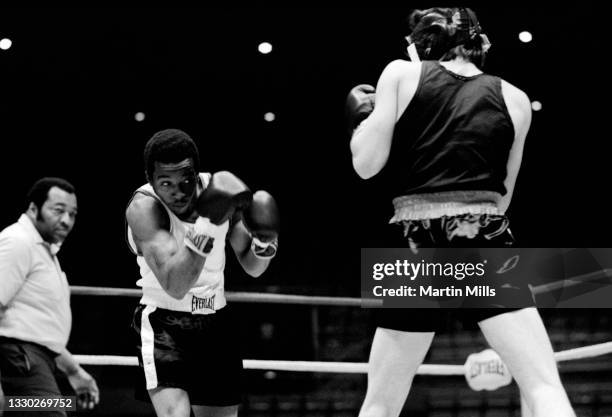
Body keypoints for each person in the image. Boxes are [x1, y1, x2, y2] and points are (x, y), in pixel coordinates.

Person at [347, 7, 575, 417]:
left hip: (413, 243)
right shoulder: (516, 98)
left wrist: (362, 125)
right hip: (481, 233)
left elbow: (365, 167)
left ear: (424, 43)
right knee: (543, 386)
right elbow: (502, 199)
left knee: (381, 402)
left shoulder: (400, 73)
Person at [126, 128, 279, 417]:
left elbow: (253, 267)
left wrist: (265, 242)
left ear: (197, 174)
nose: (177, 191)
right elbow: (176, 284)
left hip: (216, 322)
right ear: (150, 179)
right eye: (165, 182)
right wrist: (208, 223)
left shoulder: (219, 191)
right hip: (165, 323)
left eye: (185, 180)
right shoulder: (144, 209)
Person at [0, 177, 100, 417]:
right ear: (34, 208)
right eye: (58, 211)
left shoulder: (41, 249)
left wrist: (74, 371)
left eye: (73, 214)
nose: (66, 220)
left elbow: (38, 326)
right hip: (20, 361)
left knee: (56, 406)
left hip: (35, 362)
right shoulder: (17, 242)